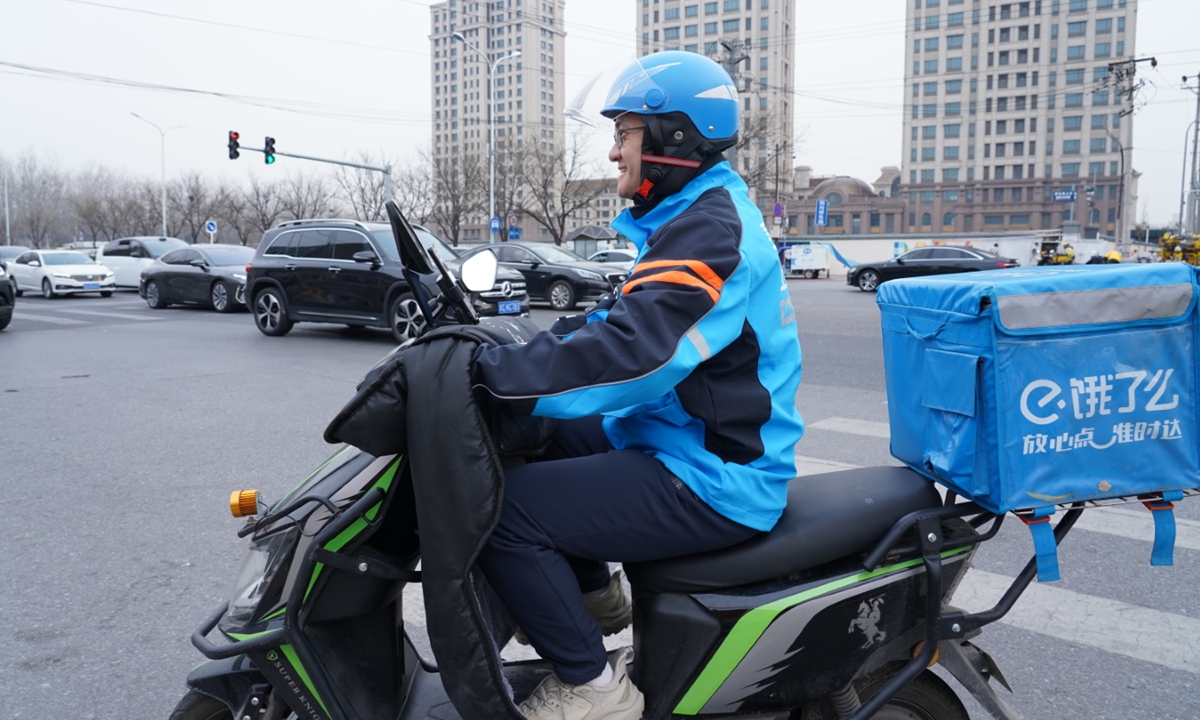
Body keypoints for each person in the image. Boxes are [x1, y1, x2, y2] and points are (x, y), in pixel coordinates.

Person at [471, 52, 804, 720]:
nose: (614, 150)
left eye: (624, 133)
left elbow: (635, 356)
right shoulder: (691, 216)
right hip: (683, 436)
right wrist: (511, 349)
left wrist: (498, 379)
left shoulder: (711, 231)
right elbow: (615, 318)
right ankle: (594, 598)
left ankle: (593, 689)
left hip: (716, 474)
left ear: (670, 138)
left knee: (503, 513)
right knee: (541, 434)